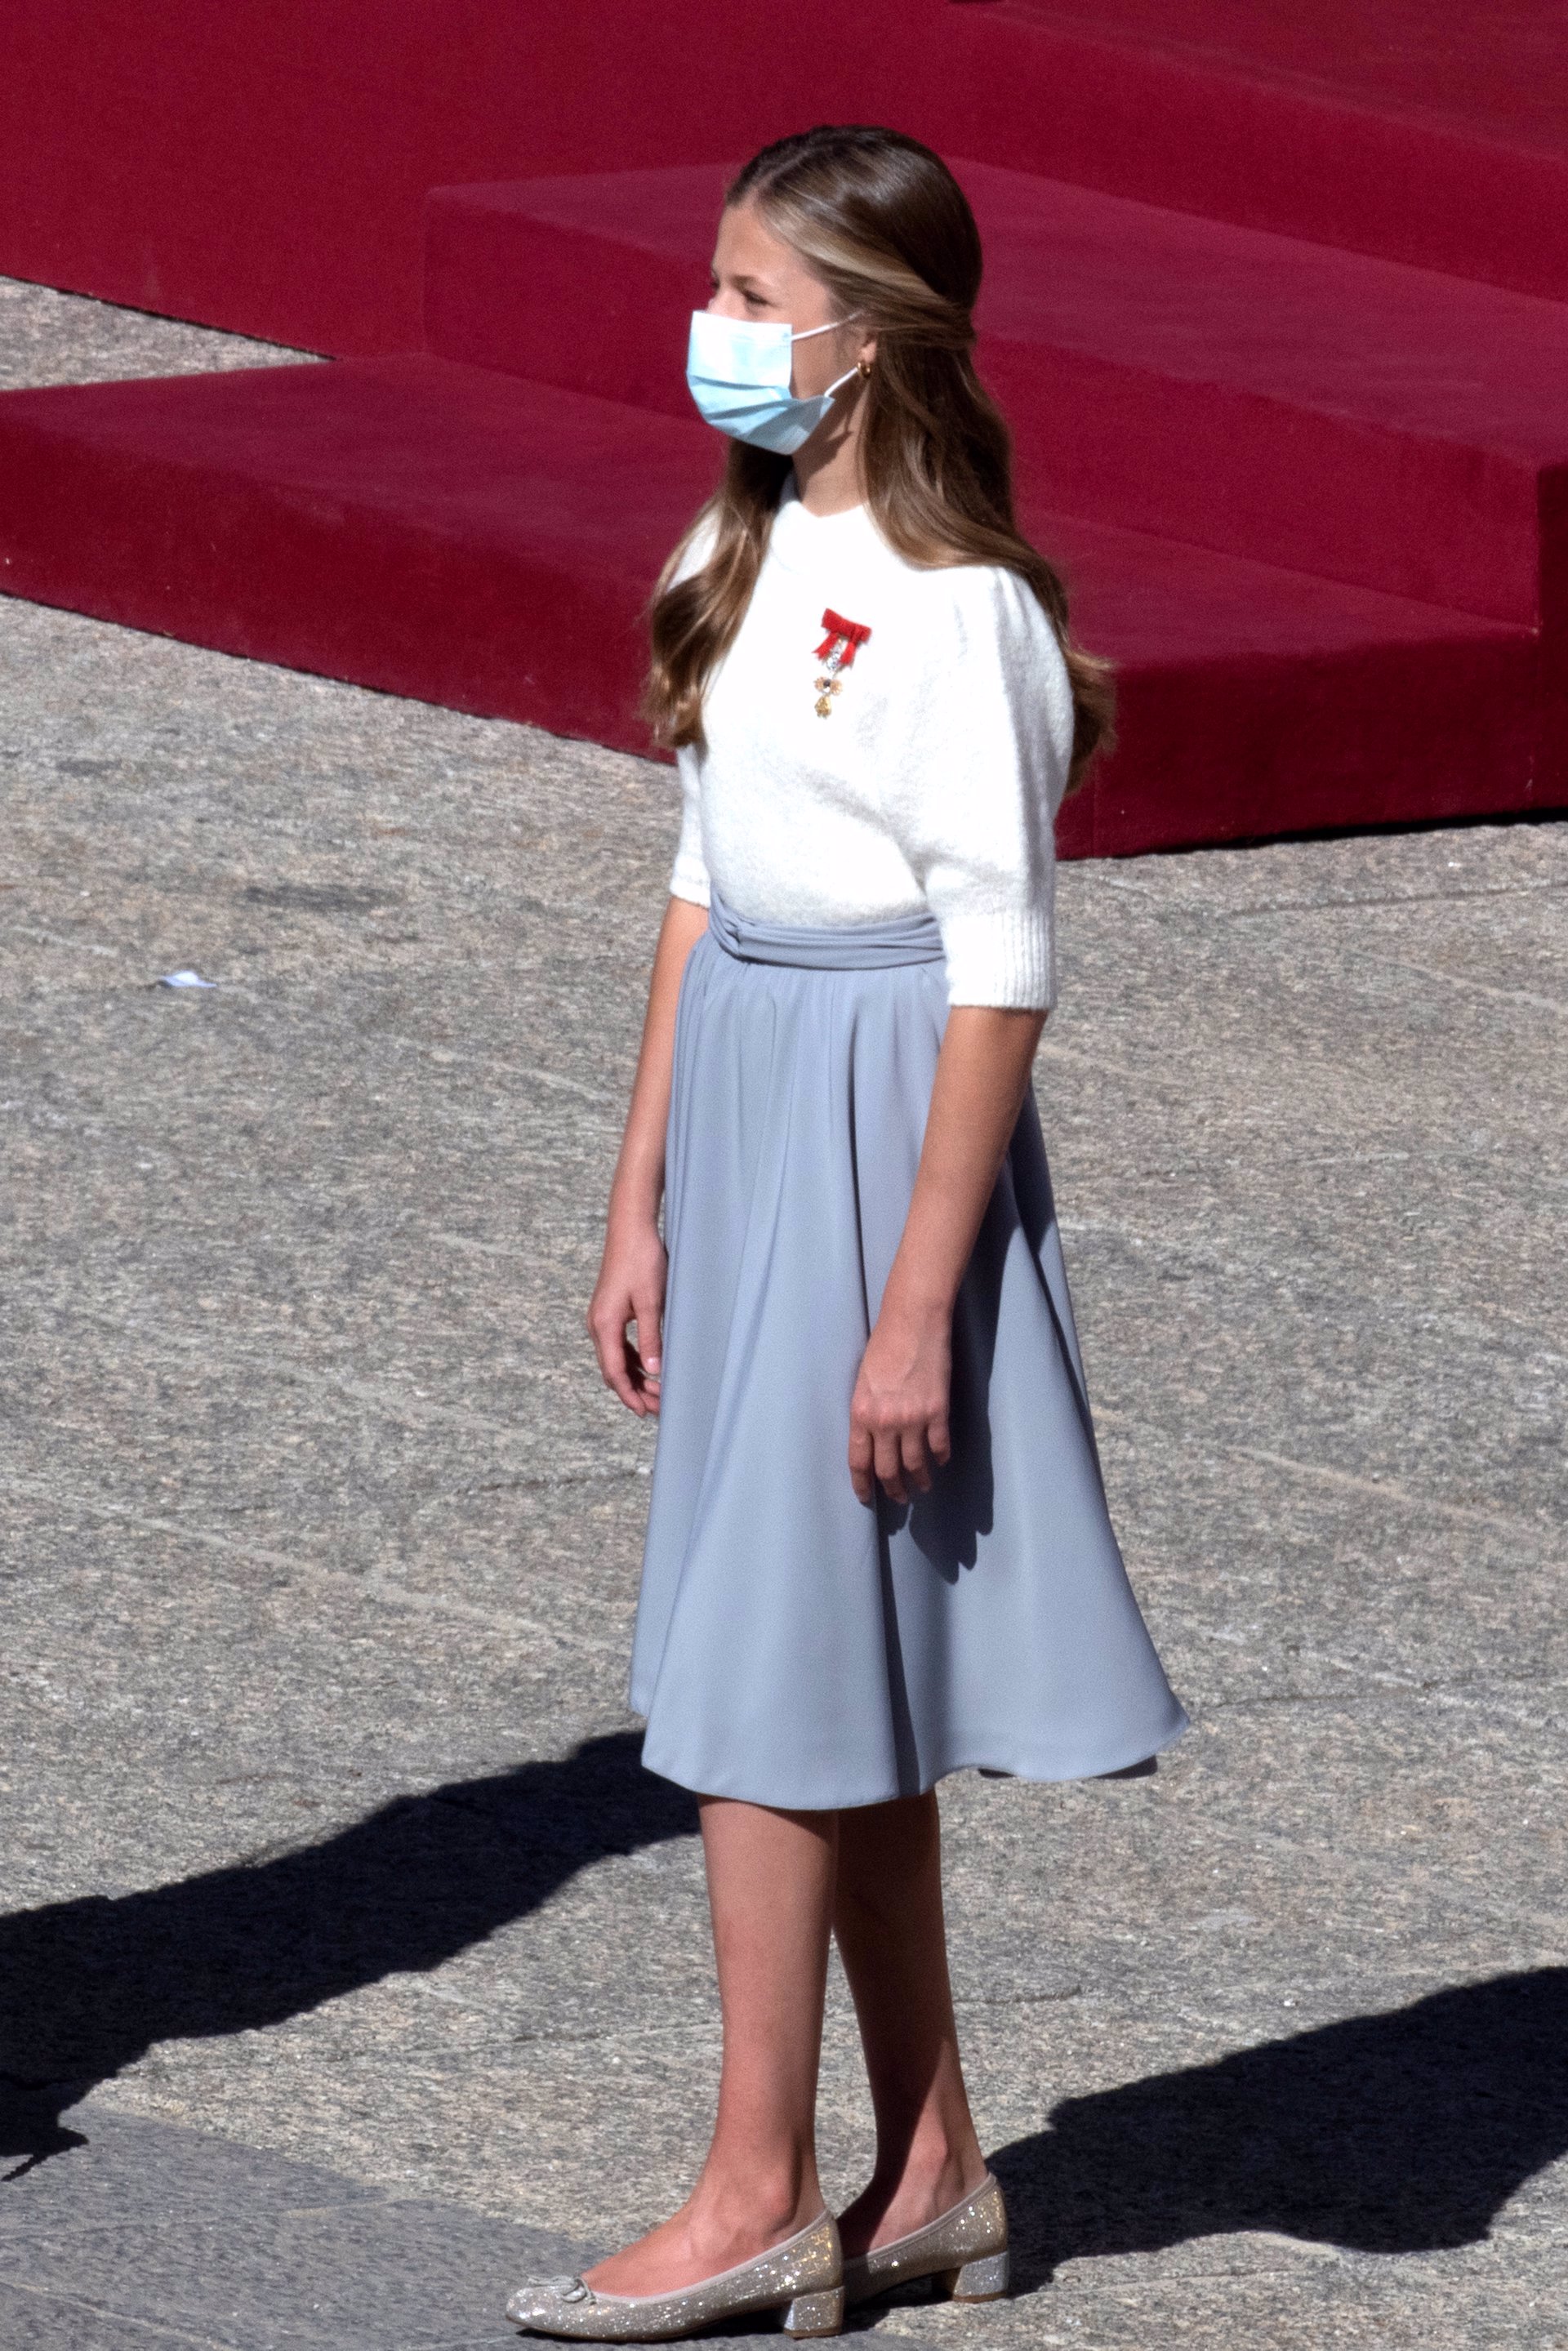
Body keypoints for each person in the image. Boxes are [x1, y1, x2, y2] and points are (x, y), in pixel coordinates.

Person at [506, 124, 1186, 2344]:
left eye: (750, 293)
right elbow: (703, 885)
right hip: (753, 1100)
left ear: (872, 336)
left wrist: (920, 1308)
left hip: (890, 1114)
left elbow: (1002, 971)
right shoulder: (753, 535)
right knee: (822, 1660)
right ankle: (936, 2168)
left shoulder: (960, 608)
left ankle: (752, 2190)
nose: (716, 332)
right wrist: (641, 1195)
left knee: (766, 1687)